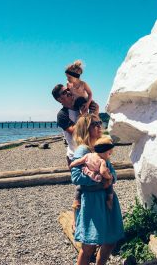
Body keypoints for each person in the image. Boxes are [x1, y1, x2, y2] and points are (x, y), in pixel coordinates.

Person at [70, 114, 124, 265]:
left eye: (100, 122)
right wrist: (101, 181)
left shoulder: (100, 146)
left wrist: (111, 177)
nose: (99, 126)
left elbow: (112, 172)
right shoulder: (83, 150)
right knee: (89, 246)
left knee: (110, 241)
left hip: (105, 199)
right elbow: (75, 177)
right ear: (86, 129)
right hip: (92, 201)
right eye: (95, 124)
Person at [69, 136, 115, 211]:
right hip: (97, 185)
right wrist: (109, 177)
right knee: (109, 187)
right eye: (109, 153)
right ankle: (109, 200)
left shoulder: (88, 155)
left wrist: (72, 164)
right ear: (104, 151)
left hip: (85, 186)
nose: (109, 156)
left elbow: (79, 161)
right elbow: (102, 172)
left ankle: (76, 201)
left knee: (78, 188)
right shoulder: (101, 161)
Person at [52, 84, 79, 166]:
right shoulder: (62, 114)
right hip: (74, 156)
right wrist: (83, 114)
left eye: (68, 89)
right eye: (64, 92)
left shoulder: (80, 107)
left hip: (89, 153)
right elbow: (75, 132)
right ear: (59, 99)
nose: (68, 92)